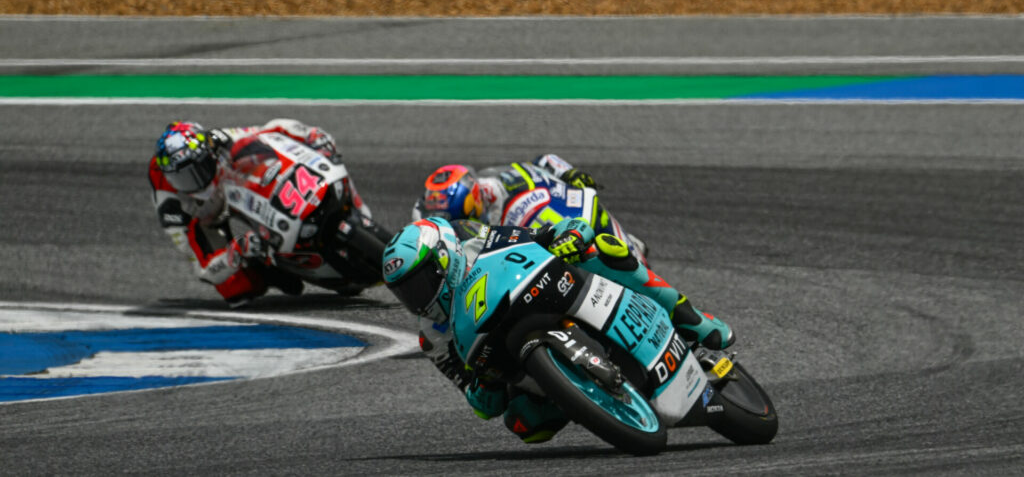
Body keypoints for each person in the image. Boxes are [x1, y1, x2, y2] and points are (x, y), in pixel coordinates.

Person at [382, 215, 733, 445]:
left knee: (603, 249)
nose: (418, 297)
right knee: (525, 425)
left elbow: (540, 234)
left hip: (548, 290)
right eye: (406, 292)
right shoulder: (432, 337)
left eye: (421, 281)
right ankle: (593, 401)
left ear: (445, 257)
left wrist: (567, 237)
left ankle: (690, 318)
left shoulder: (472, 238)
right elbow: (478, 402)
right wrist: (484, 383)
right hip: (513, 358)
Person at [148, 118, 386, 306]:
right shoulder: (169, 199)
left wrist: (313, 138)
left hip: (227, 188)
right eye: (181, 177)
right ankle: (268, 267)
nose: (191, 181)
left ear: (209, 154)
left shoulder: (218, 141)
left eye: (195, 172)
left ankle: (338, 215)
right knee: (236, 290)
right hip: (198, 213)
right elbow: (199, 264)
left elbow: (271, 132)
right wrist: (236, 251)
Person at [412, 154, 649, 258]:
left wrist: (568, 172)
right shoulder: (439, 220)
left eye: (460, 215)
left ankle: (627, 241)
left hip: (573, 214)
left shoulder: (497, 186)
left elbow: (544, 159)